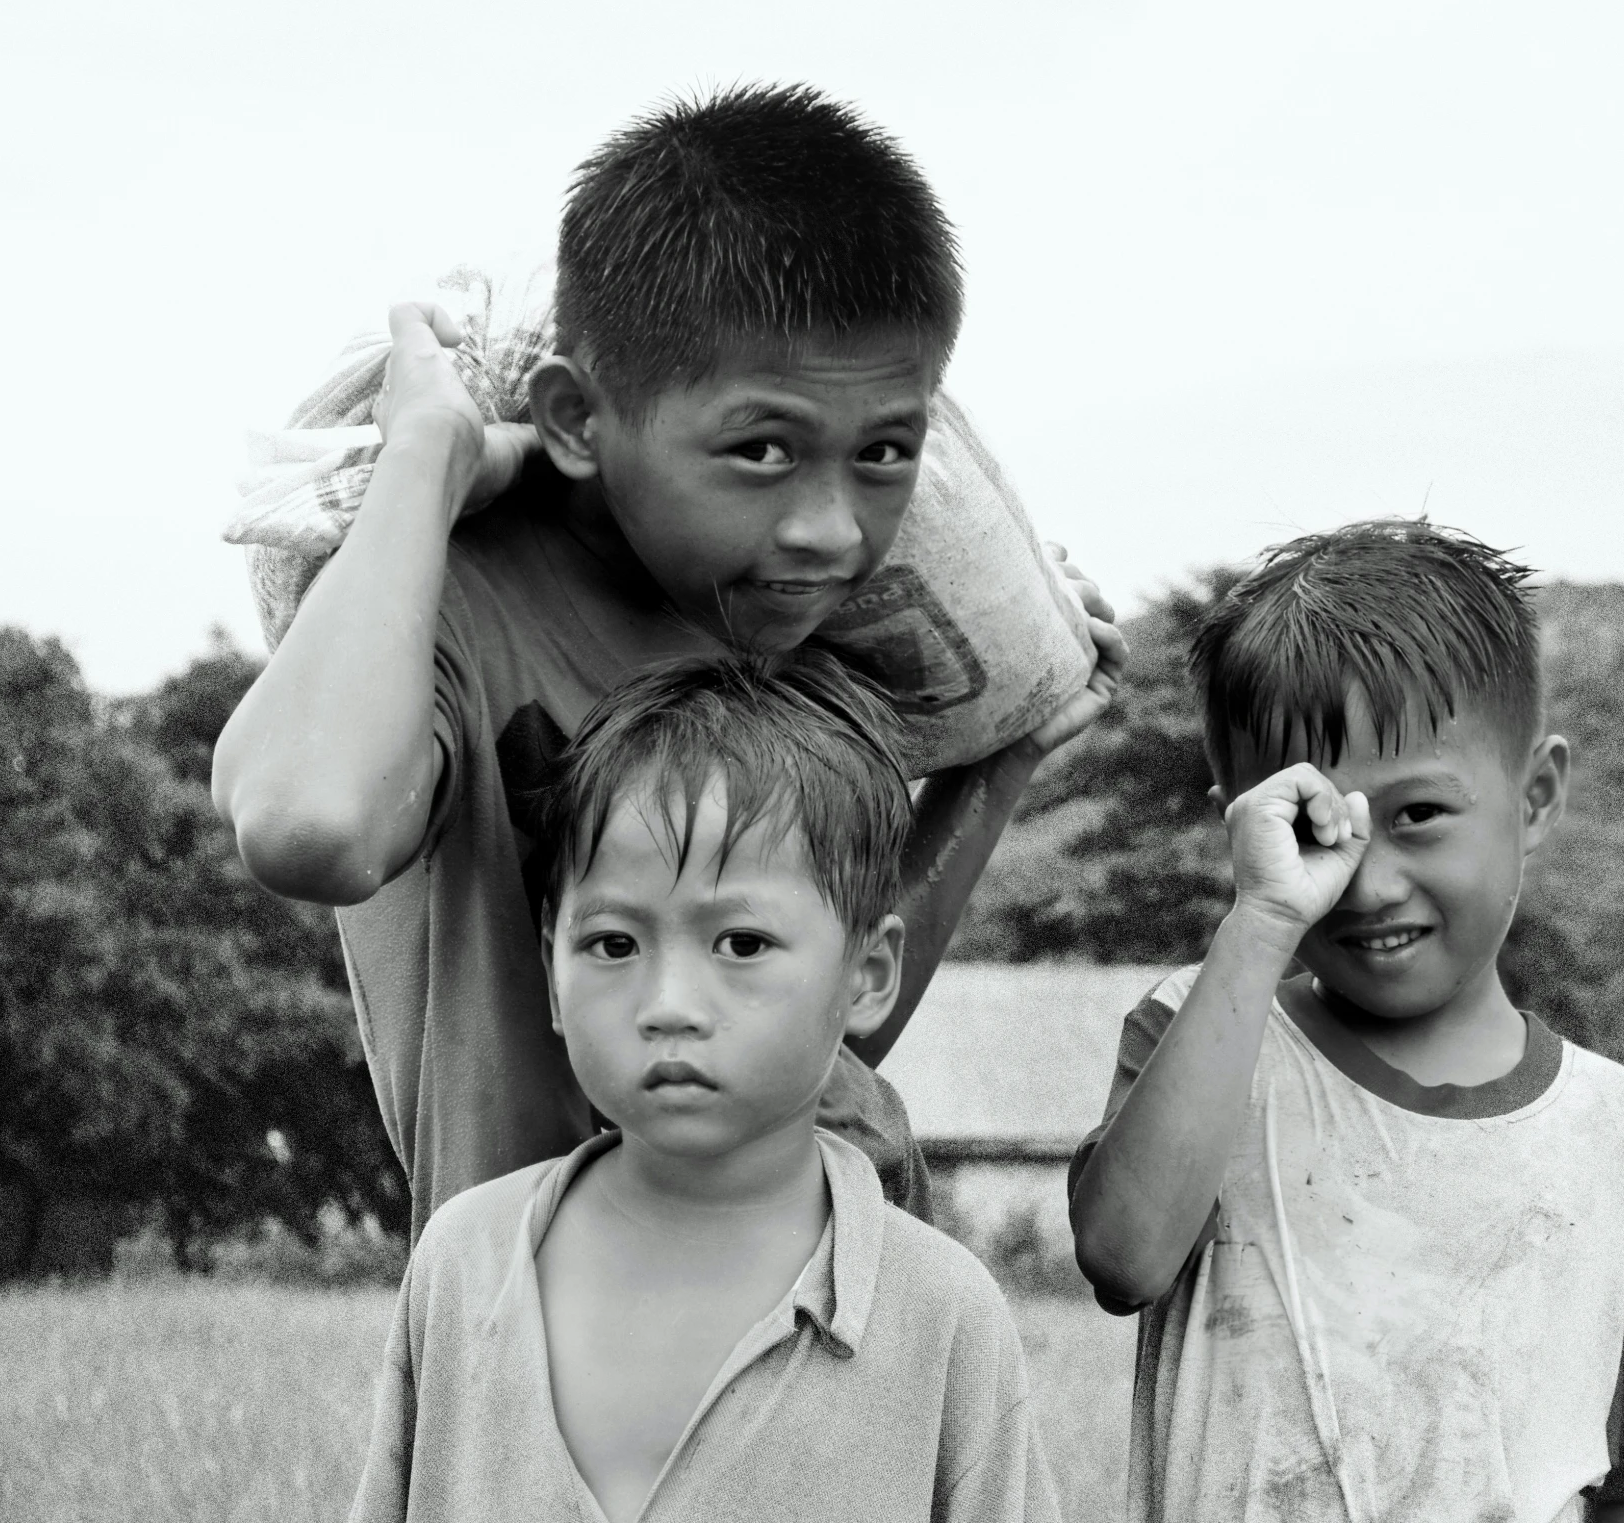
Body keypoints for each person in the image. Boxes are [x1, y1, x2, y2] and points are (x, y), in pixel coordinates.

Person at [212, 84, 1123, 1235]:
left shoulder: (810, 644)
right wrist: (429, 457)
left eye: (884, 451)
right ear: (578, 420)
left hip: (844, 1291)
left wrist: (1001, 766)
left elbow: (821, 1029)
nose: (831, 530)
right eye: (761, 449)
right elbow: (310, 825)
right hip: (545, 1325)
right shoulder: (456, 607)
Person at [1067, 521, 1624, 1523]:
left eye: (1419, 813)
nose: (1368, 881)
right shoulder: (1203, 1033)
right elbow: (1123, 1256)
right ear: (1242, 824)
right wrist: (1259, 920)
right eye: (1312, 826)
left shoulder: (1622, 1135)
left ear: (1536, 794)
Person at [349, 650, 1060, 1523]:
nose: (668, 1004)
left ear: (869, 974)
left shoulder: (942, 1318)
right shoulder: (464, 1263)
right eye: (613, 944)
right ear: (549, 964)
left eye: (742, 944)